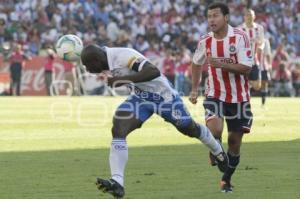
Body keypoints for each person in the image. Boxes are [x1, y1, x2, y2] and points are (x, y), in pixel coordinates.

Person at [80, 44, 229, 198]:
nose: (87, 69)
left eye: (87, 65)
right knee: (119, 127)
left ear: (96, 60)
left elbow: (153, 71)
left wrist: (123, 79)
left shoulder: (123, 56)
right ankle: (117, 182)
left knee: (189, 128)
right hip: (141, 98)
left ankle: (217, 150)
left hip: (163, 97)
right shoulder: (104, 59)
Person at [189, 2, 253, 193]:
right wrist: (194, 89)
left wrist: (221, 64)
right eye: (209, 17)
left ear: (226, 18)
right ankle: (214, 147)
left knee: (234, 143)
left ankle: (226, 180)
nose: (211, 20)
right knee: (215, 128)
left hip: (239, 97)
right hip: (214, 93)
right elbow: (195, 63)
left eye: (215, 16)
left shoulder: (240, 38)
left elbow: (247, 67)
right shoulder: (205, 41)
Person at [239, 9, 265, 92]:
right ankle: (244, 100)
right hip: (242, 61)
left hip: (254, 60)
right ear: (244, 17)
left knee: (257, 86)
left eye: (250, 15)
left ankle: (248, 83)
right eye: (247, 15)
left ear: (254, 17)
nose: (249, 17)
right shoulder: (239, 29)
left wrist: (261, 47)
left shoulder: (259, 28)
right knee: (241, 85)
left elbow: (262, 42)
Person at [260, 38, 272, 106]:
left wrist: (269, 65)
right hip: (252, 64)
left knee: (264, 84)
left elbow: (268, 54)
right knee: (249, 83)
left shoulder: (265, 40)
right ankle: (247, 102)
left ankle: (263, 103)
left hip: (263, 66)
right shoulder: (249, 37)